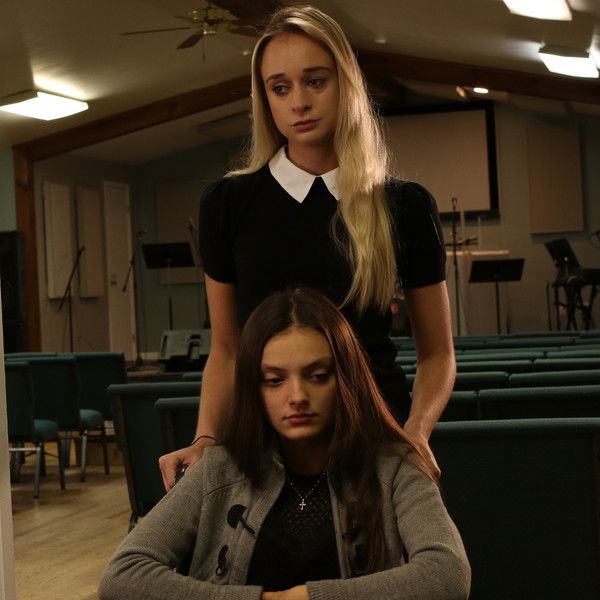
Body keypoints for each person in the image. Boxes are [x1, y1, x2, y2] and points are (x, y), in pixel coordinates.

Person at [159, 5, 455, 490]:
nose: (299, 102)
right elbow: (227, 350)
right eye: (280, 88)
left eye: (315, 81)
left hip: (378, 440)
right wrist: (206, 437)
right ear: (265, 100)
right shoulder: (227, 202)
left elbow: (438, 354)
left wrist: (416, 432)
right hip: (264, 444)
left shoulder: (404, 204)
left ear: (346, 85)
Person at [100, 288, 470, 600]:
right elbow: (123, 575)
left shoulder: (395, 465)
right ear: (254, 389)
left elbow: (448, 573)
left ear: (346, 380)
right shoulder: (218, 469)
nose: (297, 397)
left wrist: (308, 598)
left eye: (317, 376)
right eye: (274, 380)